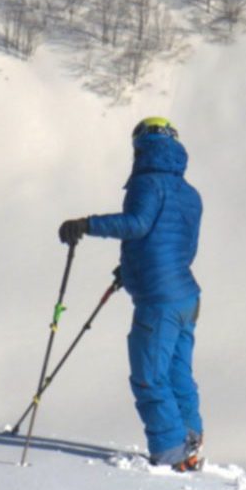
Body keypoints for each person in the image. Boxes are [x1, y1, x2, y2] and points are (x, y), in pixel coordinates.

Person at [59, 117, 206, 471]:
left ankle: (172, 454)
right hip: (186, 295)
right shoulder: (189, 193)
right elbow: (176, 246)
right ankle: (191, 439)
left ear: (140, 146)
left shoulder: (145, 184)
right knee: (177, 373)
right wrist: (130, 271)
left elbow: (138, 226)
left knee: (149, 375)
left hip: (159, 301)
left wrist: (87, 224)